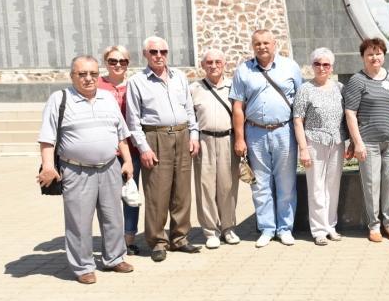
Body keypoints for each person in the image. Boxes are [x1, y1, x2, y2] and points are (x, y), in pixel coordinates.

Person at [38, 56, 135, 283]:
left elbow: (121, 134)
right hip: (76, 170)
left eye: (92, 73)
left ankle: (114, 258)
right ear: (72, 76)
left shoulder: (107, 99)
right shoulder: (59, 99)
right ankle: (83, 267)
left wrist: (128, 161)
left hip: (110, 167)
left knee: (113, 217)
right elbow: (47, 138)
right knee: (79, 222)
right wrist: (48, 166)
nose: (88, 79)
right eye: (82, 74)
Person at [125, 36, 200, 262]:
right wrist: (144, 148)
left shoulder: (180, 77)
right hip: (155, 137)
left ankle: (180, 237)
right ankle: (157, 241)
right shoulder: (137, 81)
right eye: (154, 52)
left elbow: (189, 109)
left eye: (163, 51)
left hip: (182, 134)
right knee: (157, 193)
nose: (159, 56)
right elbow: (133, 120)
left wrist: (194, 134)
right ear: (145, 54)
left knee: (182, 191)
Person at [230, 29, 303, 248]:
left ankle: (285, 228)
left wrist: (302, 138)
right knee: (260, 183)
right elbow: (237, 107)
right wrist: (240, 139)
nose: (262, 47)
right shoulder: (243, 70)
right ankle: (267, 228)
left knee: (286, 183)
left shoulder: (291, 67)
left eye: (266, 43)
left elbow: (300, 102)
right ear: (253, 46)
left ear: (274, 44)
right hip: (255, 133)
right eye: (257, 43)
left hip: (284, 131)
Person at [343, 38, 389, 243]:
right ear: (363, 57)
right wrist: (357, 142)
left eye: (378, 53)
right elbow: (350, 113)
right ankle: (374, 225)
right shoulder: (357, 80)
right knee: (372, 184)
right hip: (368, 142)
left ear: (384, 55)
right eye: (370, 54)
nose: (374, 57)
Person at [294, 47, 349, 246]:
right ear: (312, 66)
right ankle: (318, 230)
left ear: (332, 67)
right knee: (316, 186)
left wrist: (349, 142)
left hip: (337, 141)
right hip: (314, 142)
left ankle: (330, 226)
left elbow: (347, 118)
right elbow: (298, 120)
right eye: (317, 64)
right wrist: (303, 148)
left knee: (333, 185)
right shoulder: (305, 89)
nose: (321, 68)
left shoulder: (340, 88)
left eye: (326, 64)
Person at [190, 48, 241, 249]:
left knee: (228, 187)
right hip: (204, 141)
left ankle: (228, 228)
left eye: (217, 62)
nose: (213, 66)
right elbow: (190, 117)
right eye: (209, 62)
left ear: (224, 64)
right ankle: (211, 231)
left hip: (228, 140)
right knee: (205, 187)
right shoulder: (194, 88)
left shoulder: (233, 87)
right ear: (202, 65)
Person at [97, 44, 141, 254]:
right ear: (106, 62)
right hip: (107, 150)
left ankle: (129, 239)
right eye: (113, 61)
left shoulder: (134, 85)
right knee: (109, 199)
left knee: (131, 195)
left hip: (132, 149)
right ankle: (112, 241)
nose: (118, 65)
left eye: (122, 61)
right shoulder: (97, 85)